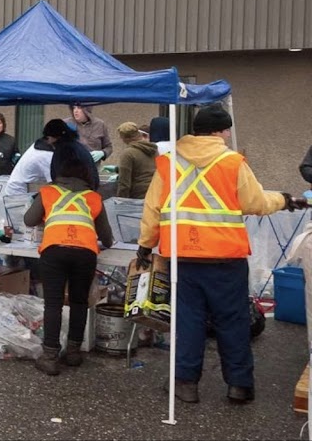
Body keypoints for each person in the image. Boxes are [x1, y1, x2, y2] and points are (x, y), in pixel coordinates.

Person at [137, 104, 309, 405]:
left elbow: (153, 209)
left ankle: (186, 383)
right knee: (232, 321)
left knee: (188, 321)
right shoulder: (232, 161)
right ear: (223, 131)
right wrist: (283, 200)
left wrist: (144, 245)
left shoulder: (168, 162)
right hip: (226, 258)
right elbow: (254, 202)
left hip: (183, 257)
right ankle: (239, 386)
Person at [23, 142, 113, 375]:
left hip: (54, 250)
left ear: (59, 172)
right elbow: (108, 238)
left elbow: (28, 220)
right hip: (85, 252)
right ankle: (73, 352)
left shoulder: (48, 192)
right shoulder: (93, 197)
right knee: (78, 301)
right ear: (86, 174)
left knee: (53, 303)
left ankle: (50, 356)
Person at [4, 119, 71, 196]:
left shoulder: (41, 144)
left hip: (23, 188)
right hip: (19, 191)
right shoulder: (46, 155)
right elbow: (55, 183)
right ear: (52, 138)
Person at [115, 121, 157, 199]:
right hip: (154, 193)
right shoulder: (153, 150)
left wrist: (120, 200)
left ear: (125, 138)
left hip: (137, 195)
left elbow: (124, 182)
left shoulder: (128, 154)